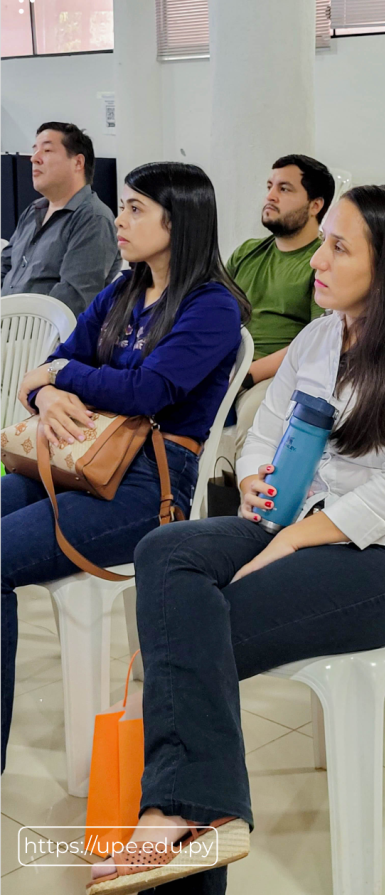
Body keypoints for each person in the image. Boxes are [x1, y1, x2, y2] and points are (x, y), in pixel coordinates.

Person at [87, 185, 385, 893]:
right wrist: (258, 486)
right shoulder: (320, 336)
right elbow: (265, 436)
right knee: (162, 554)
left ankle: (178, 818)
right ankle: (200, 816)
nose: (317, 263)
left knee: (200, 635)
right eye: (323, 241)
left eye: (338, 247)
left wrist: (292, 541)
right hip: (294, 522)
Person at [1, 162, 249, 771]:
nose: (120, 218)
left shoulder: (213, 307)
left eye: (136, 208)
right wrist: (51, 390)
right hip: (69, 461)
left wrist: (62, 378)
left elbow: (149, 392)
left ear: (179, 219)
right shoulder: (124, 289)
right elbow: (46, 370)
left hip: (146, 486)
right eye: (124, 205)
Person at [227, 154, 335, 453]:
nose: (270, 196)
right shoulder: (246, 252)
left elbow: (319, 340)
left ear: (316, 205)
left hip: (277, 375)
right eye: (270, 186)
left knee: (253, 415)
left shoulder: (321, 263)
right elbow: (211, 315)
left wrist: (246, 375)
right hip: (228, 367)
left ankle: (247, 499)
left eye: (285, 189)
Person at [1, 122, 121, 315]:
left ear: (78, 163)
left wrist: (11, 326)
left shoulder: (92, 218)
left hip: (37, 338)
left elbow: (71, 300)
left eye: (47, 150)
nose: (34, 158)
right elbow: (4, 267)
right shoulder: (34, 210)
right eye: (34, 150)